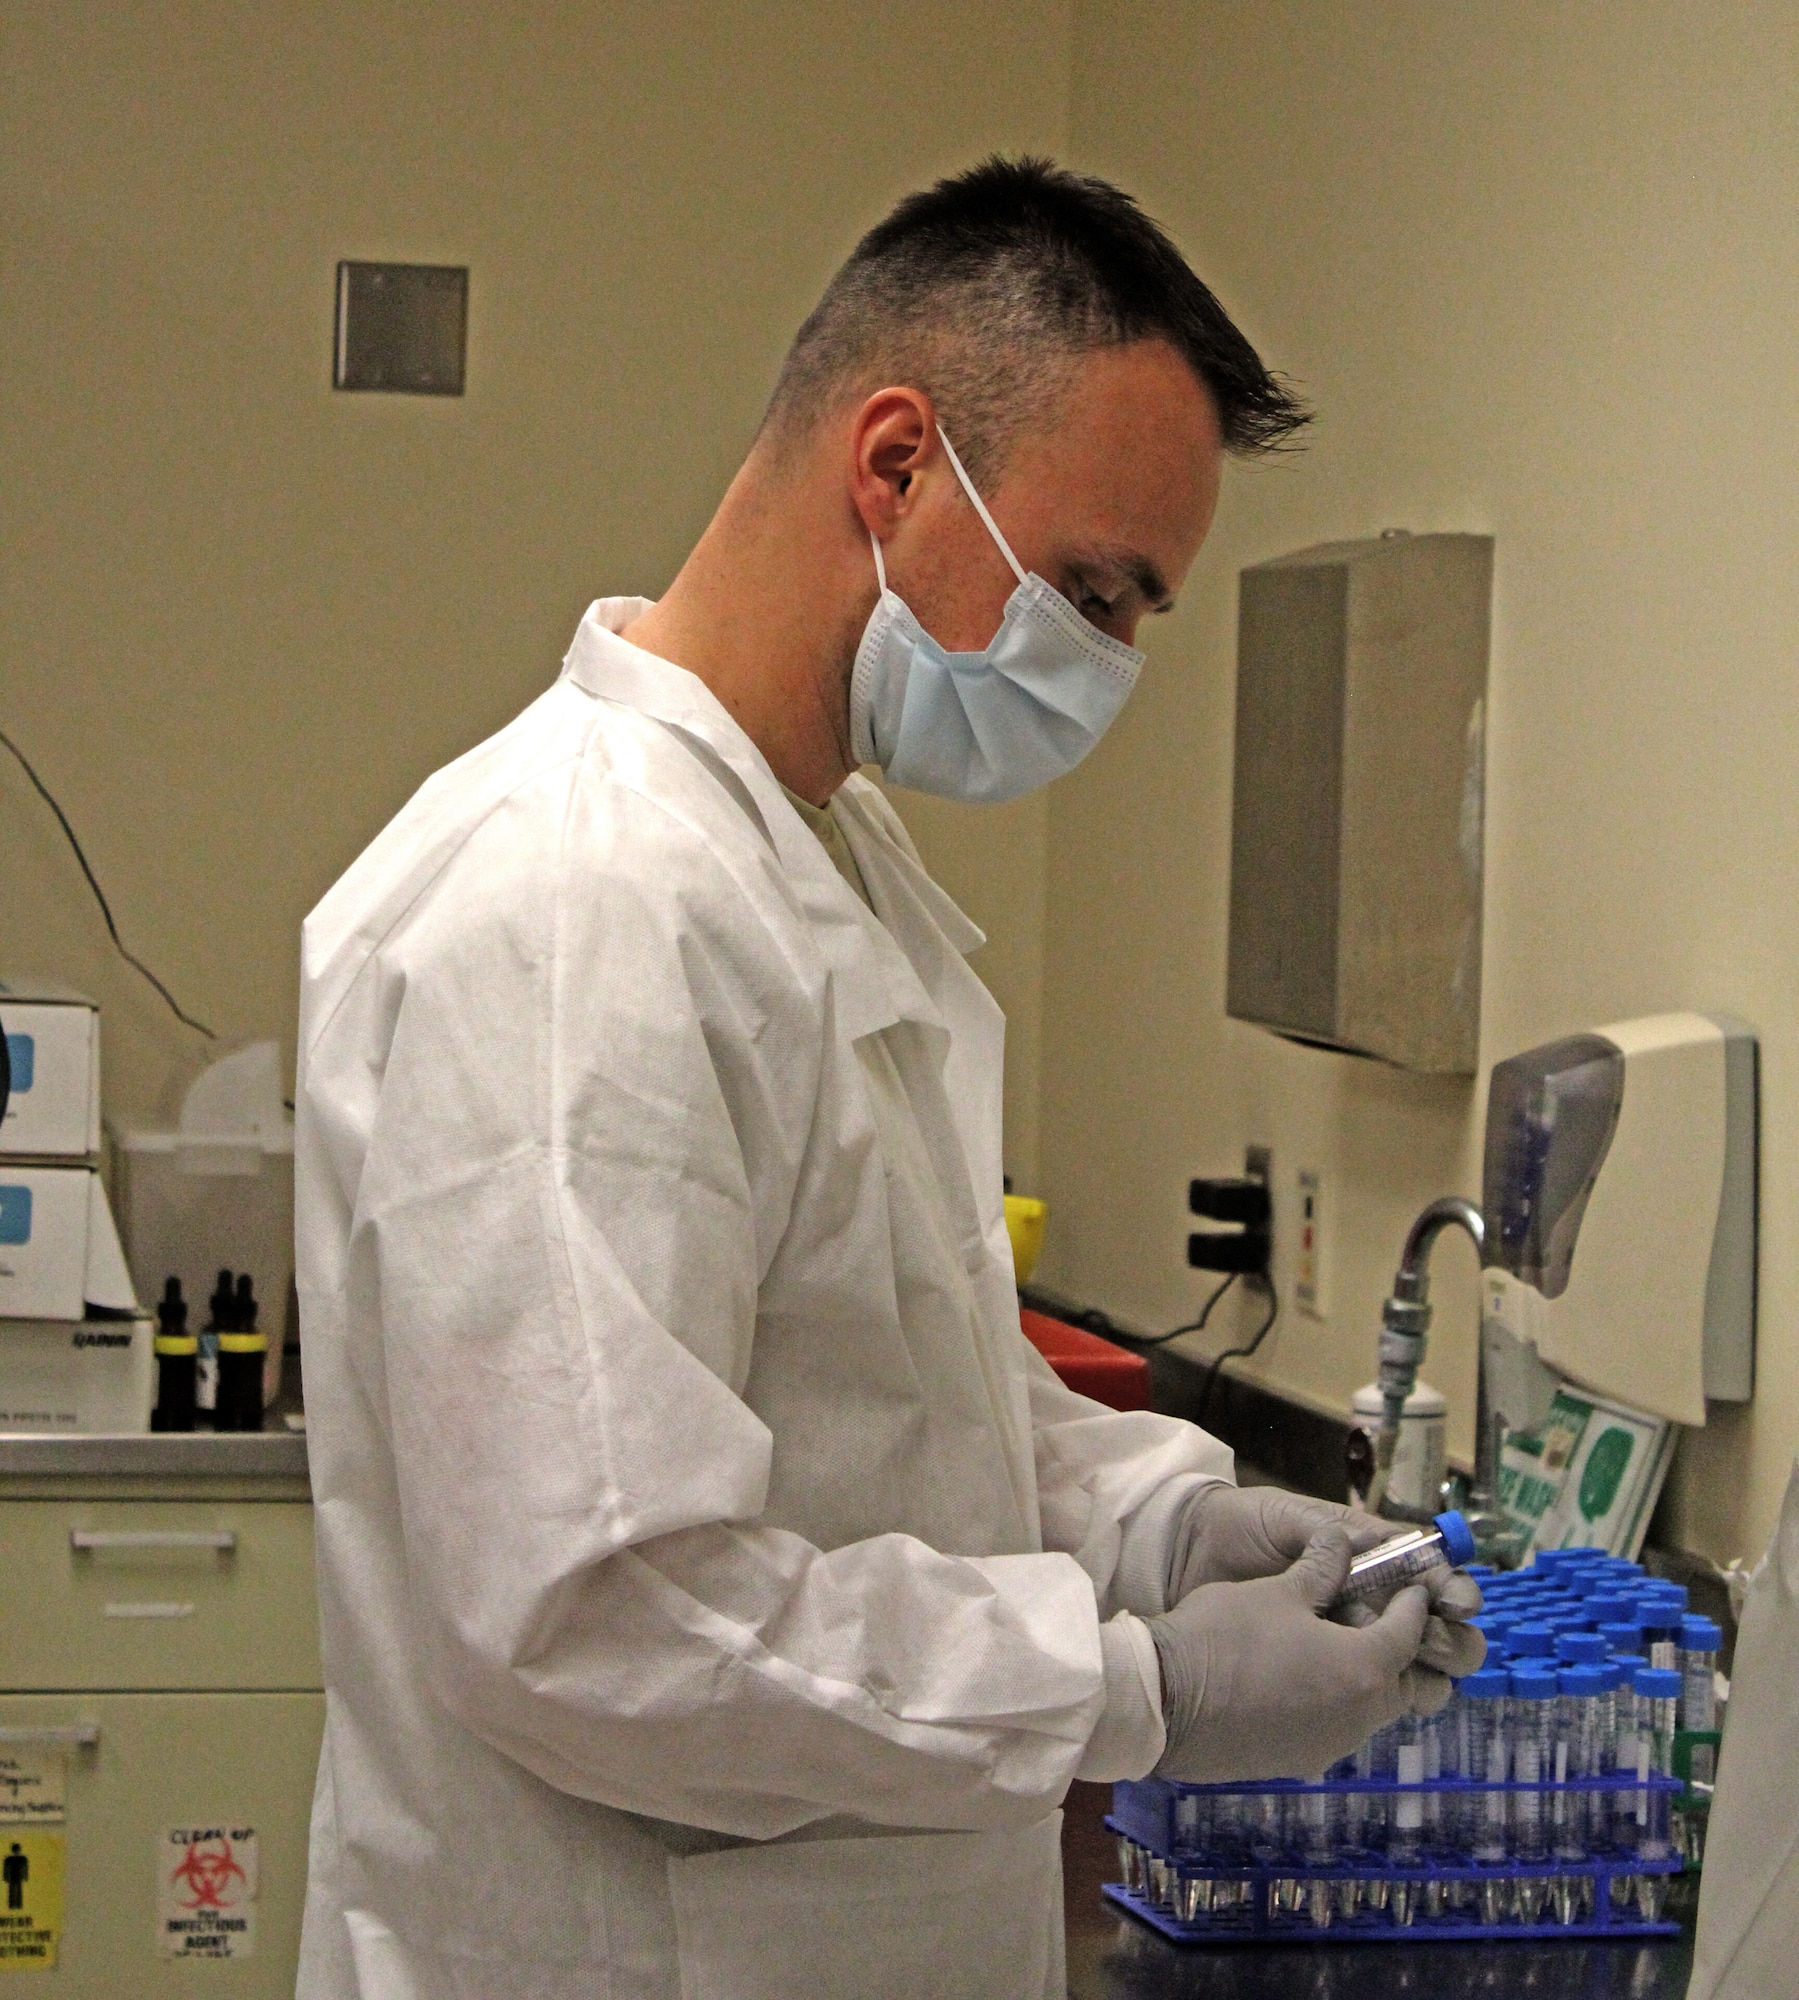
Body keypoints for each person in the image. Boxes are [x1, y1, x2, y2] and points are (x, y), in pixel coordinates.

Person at [295, 158, 1482, 2000]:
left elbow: (888, 1386)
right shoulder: (578, 911)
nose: (1107, 664)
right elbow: (604, 1610)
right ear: (899, 463)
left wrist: (1153, 1517)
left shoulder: (812, 867)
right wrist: (1130, 1687)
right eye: (1093, 588)